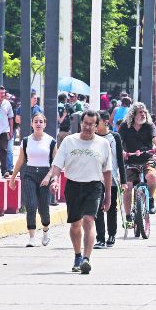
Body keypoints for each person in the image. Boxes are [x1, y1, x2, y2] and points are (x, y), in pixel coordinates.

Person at [41, 111, 112, 274]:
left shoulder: (103, 144)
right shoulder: (69, 141)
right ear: (81, 123)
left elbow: (107, 171)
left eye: (91, 124)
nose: (87, 127)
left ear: (97, 125)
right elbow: (58, 165)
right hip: (73, 185)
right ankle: (78, 255)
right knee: (75, 224)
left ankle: (86, 258)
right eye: (85, 123)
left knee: (88, 220)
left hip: (94, 186)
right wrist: (55, 180)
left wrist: (108, 195)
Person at [9, 112, 57, 247]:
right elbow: (20, 161)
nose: (38, 124)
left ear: (45, 124)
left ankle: (46, 229)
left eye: (41, 121)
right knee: (30, 205)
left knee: (43, 208)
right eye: (36, 121)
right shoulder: (25, 141)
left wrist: (49, 177)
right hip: (29, 174)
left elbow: (56, 163)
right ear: (31, 124)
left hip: (45, 175)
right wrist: (13, 178)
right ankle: (31, 237)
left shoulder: (51, 141)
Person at [119, 102, 156, 222]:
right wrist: (122, 151)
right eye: (140, 112)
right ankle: (128, 215)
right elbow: (119, 141)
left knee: (152, 177)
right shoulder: (124, 126)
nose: (143, 114)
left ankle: (151, 200)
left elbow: (155, 138)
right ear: (133, 115)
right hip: (130, 160)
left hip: (147, 159)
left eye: (144, 112)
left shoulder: (149, 125)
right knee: (127, 187)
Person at [95, 110, 127, 248]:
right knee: (97, 208)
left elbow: (120, 160)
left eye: (98, 122)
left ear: (106, 122)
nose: (95, 125)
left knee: (111, 207)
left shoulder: (115, 137)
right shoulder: (92, 137)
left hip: (112, 178)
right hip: (95, 178)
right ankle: (100, 237)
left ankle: (112, 234)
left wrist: (124, 181)